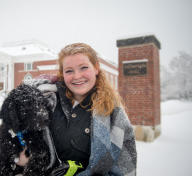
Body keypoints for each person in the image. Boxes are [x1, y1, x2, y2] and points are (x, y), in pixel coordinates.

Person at [17, 43, 137, 175]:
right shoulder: (44, 102)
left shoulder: (114, 115)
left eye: (83, 68)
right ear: (62, 73)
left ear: (96, 68)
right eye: (69, 70)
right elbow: (18, 140)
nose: (77, 76)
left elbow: (123, 170)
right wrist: (23, 160)